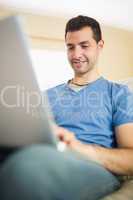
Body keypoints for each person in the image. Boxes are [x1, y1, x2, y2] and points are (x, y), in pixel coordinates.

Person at [0, 15, 133, 200]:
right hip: (45, 156)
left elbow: (131, 158)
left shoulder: (119, 93)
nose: (76, 54)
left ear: (100, 46)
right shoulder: (44, 96)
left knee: (27, 166)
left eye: (84, 46)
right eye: (70, 47)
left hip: (92, 169)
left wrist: (80, 148)